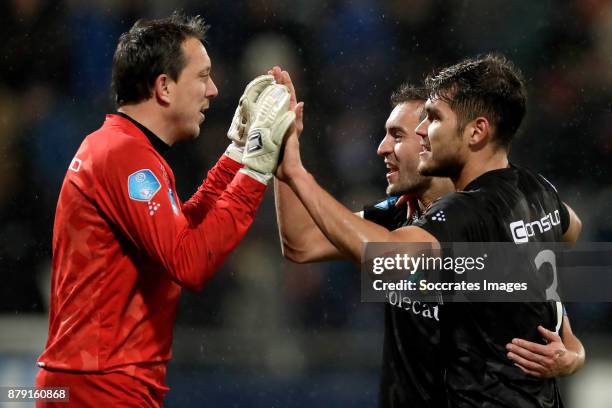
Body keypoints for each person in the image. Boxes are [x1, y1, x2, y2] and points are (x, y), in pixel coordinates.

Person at [273, 55, 584, 407]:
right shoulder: (525, 192)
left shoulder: (468, 213)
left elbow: (385, 258)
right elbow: (300, 243)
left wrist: (297, 172)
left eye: (429, 122)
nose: (384, 147)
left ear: (471, 132)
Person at [35, 13, 294, 407]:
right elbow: (188, 262)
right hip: (100, 387)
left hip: (97, 382)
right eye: (203, 76)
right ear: (164, 87)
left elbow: (178, 236)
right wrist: (256, 172)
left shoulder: (124, 149)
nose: (214, 90)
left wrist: (238, 155)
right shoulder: (125, 156)